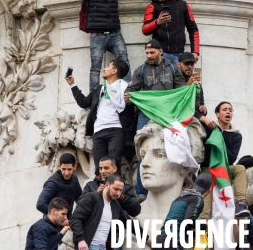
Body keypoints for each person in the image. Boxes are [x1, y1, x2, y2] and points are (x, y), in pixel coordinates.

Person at [59, 0, 154, 91]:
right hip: (97, 35)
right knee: (95, 68)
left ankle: (128, 93)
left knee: (124, 62)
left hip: (115, 33)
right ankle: (94, 97)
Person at [124, 39, 186, 201]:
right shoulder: (141, 70)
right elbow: (131, 90)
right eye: (147, 53)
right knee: (143, 151)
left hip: (167, 115)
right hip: (146, 114)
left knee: (169, 149)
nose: (149, 56)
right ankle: (142, 193)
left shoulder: (173, 68)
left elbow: (181, 91)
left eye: (152, 53)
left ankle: (173, 186)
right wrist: (129, 97)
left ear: (161, 51)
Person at [67, 60, 133, 173]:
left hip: (116, 131)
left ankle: (116, 189)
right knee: (99, 167)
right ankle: (101, 190)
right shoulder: (100, 89)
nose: (104, 68)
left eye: (108, 66)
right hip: (98, 133)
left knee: (114, 163)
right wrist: (73, 85)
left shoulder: (127, 89)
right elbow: (83, 102)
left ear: (114, 70)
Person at [70, 174, 151, 250]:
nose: (118, 193)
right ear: (107, 185)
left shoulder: (115, 205)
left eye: (120, 190)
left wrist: (147, 238)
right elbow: (75, 219)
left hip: (103, 247)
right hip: (87, 246)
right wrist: (80, 240)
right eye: (115, 189)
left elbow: (129, 223)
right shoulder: (90, 198)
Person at [199, 101, 250, 221]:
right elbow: (192, 114)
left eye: (230, 110)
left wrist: (220, 138)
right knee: (206, 184)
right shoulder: (210, 128)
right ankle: (203, 219)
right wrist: (203, 113)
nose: (228, 112)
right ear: (217, 114)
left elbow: (232, 158)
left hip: (224, 169)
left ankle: (241, 203)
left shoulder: (237, 136)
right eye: (224, 109)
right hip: (208, 168)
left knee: (240, 168)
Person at [142, 0, 200, 65]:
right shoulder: (152, 6)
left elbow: (193, 29)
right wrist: (157, 22)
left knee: (179, 79)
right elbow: (145, 29)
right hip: (161, 54)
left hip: (179, 55)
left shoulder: (183, 5)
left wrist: (195, 52)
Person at [154, 172, 212, 249]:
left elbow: (180, 224)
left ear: (194, 183)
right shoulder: (197, 198)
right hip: (172, 242)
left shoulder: (178, 199)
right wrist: (206, 226)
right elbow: (189, 220)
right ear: (210, 189)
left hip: (159, 240)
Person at [176, 52, 215, 129]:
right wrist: (188, 85)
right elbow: (179, 104)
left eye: (192, 64)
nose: (190, 67)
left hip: (196, 118)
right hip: (181, 119)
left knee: (215, 130)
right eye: (186, 64)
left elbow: (201, 104)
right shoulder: (175, 80)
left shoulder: (197, 84)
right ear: (179, 64)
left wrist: (203, 110)